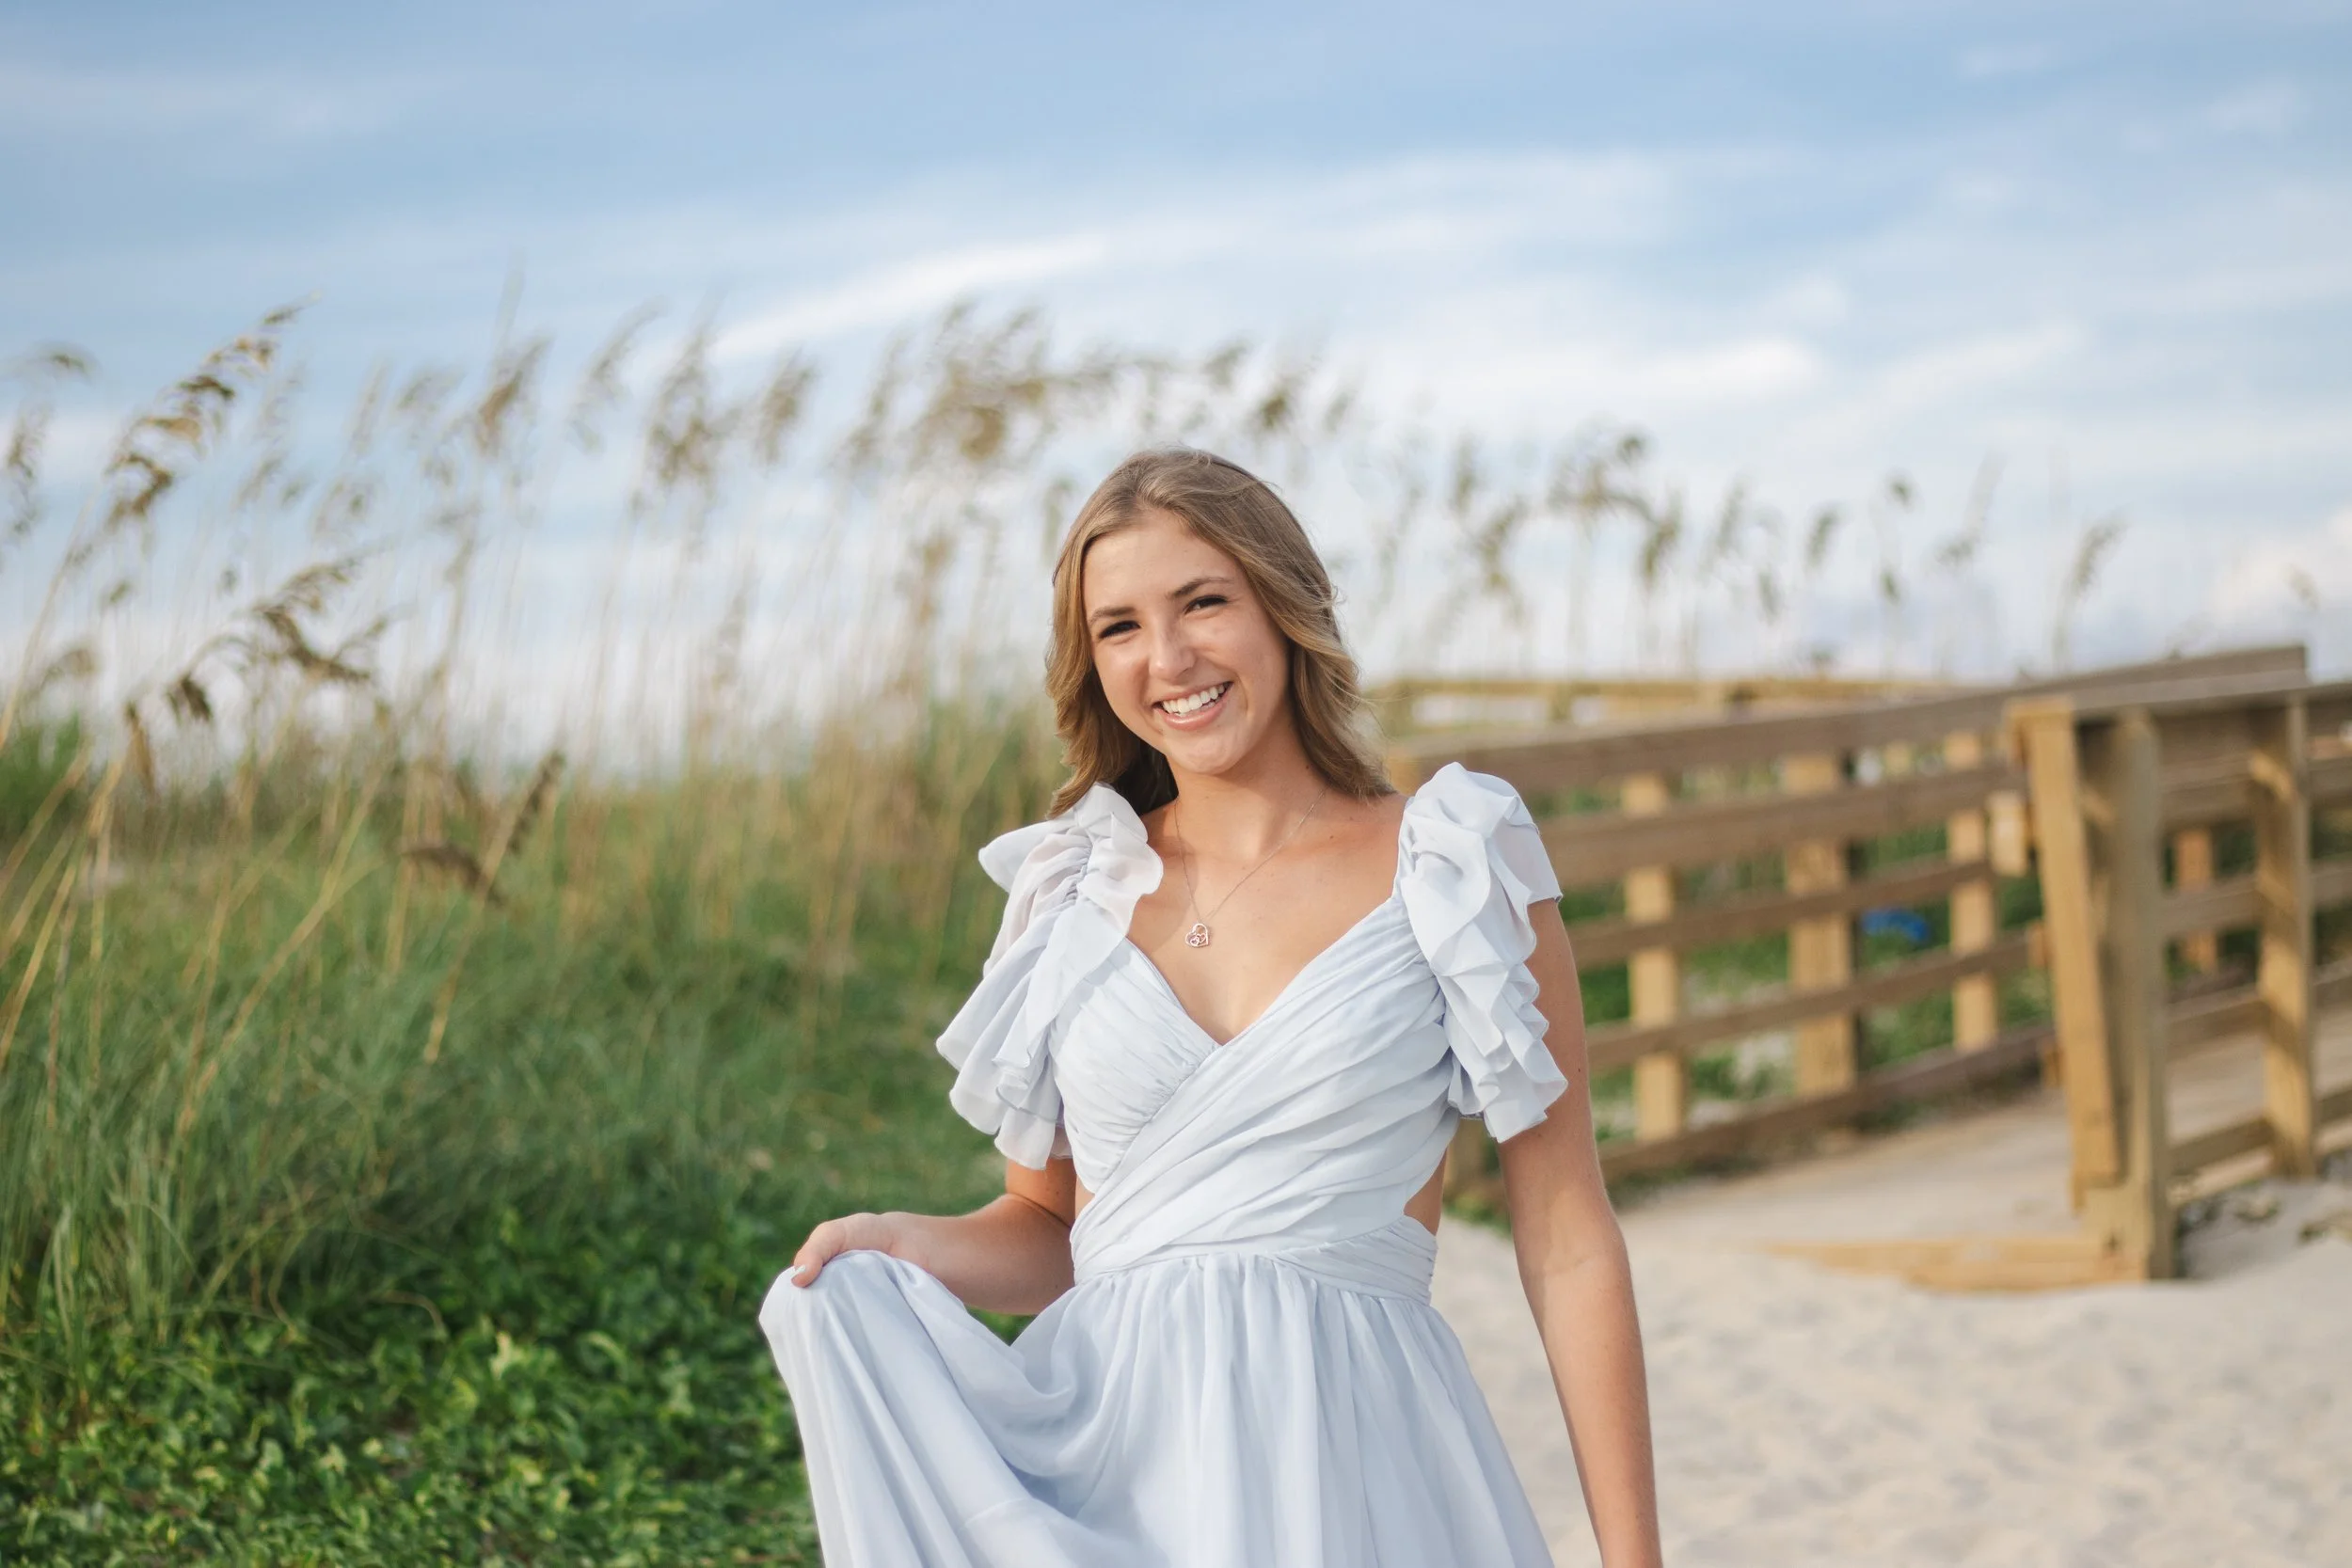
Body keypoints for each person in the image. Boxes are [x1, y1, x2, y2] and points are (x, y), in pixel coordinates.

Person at [761, 448, 1662, 1566]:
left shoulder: (1448, 860)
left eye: (1204, 601)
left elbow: (1566, 1233)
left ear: (1284, 607)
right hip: (1119, 1475)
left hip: (1362, 1463)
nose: (1170, 657)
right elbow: (1053, 1233)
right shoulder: (1072, 891)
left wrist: (1634, 1558)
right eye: (1120, 626)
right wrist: (898, 1243)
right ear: (1090, 664)